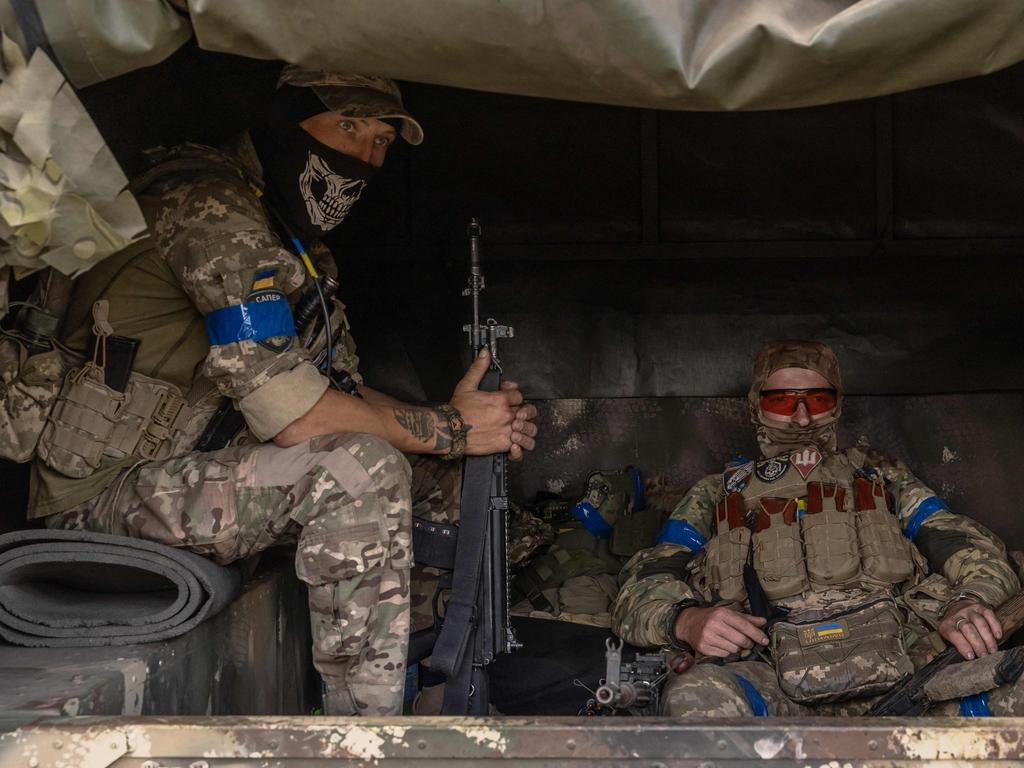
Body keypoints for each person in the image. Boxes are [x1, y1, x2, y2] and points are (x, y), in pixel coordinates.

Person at [25, 67, 538, 716]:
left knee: (444, 476)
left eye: (380, 140)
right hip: (105, 492)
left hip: (195, 472)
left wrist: (460, 429)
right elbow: (297, 417)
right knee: (358, 470)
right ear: (284, 121)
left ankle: (440, 682)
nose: (364, 155)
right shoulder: (208, 205)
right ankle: (364, 737)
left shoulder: (290, 236)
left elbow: (334, 392)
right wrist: (456, 427)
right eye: (347, 126)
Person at [612, 340, 1023, 716]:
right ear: (756, 405)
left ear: (837, 405)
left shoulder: (880, 476)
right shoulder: (715, 494)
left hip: (914, 665)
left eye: (818, 399)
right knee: (697, 696)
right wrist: (687, 620)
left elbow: (965, 543)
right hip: (770, 678)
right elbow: (643, 583)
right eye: (782, 400)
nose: (802, 416)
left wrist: (968, 602)